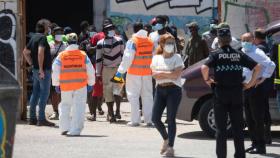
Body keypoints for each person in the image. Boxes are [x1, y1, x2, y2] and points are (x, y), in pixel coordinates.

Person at [201, 28, 261, 158]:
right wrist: (250, 83)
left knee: (221, 130)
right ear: (230, 40)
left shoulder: (216, 54)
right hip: (237, 94)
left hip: (220, 94)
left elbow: (204, 67)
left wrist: (207, 80)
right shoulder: (239, 54)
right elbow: (257, 67)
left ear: (219, 41)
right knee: (238, 129)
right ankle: (239, 155)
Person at [52, 33, 95, 136]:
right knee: (79, 107)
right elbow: (90, 70)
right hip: (80, 86)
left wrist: (56, 84)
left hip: (65, 86)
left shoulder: (61, 56)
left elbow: (55, 70)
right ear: (77, 42)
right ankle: (75, 130)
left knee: (65, 105)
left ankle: (64, 128)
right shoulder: (83, 55)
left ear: (67, 42)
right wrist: (91, 83)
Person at [113, 22, 154, 126]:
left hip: (134, 73)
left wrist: (120, 71)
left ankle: (135, 120)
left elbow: (127, 58)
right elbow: (154, 56)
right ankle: (149, 120)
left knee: (133, 96)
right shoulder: (150, 41)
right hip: (147, 73)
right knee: (148, 96)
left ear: (134, 30)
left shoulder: (133, 41)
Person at [150, 34, 184, 157]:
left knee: (170, 119)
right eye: (168, 43)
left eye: (172, 43)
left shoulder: (177, 57)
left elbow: (176, 75)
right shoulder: (156, 58)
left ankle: (170, 147)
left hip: (174, 90)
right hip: (160, 90)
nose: (170, 45)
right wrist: (169, 72)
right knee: (155, 118)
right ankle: (166, 138)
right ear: (162, 44)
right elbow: (154, 75)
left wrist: (162, 73)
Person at [241, 32, 275, 154]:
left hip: (255, 89)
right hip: (246, 88)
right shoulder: (243, 51)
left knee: (257, 118)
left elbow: (271, 64)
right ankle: (254, 143)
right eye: (243, 40)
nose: (245, 42)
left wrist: (262, 79)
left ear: (253, 40)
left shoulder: (257, 52)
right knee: (249, 118)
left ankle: (261, 146)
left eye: (247, 40)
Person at [23, 19, 55, 126]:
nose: (49, 27)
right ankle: (41, 119)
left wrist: (32, 64)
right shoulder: (42, 38)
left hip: (36, 70)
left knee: (35, 93)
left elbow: (25, 52)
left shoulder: (33, 37)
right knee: (44, 94)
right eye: (48, 26)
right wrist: (41, 69)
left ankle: (32, 118)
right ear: (44, 27)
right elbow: (40, 52)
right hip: (43, 71)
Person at [96, 18, 124, 123]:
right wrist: (98, 73)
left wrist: (123, 70)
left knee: (118, 90)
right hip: (106, 70)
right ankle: (111, 113)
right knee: (108, 92)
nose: (112, 30)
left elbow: (123, 55)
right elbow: (98, 59)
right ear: (105, 32)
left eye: (112, 28)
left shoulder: (119, 40)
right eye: (109, 29)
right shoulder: (100, 43)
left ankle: (117, 110)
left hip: (118, 69)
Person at [253, 28, 273, 144]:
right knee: (265, 110)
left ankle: (264, 137)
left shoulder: (259, 50)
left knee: (260, 111)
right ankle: (267, 135)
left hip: (260, 84)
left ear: (256, 38)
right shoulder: (267, 47)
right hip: (267, 83)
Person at [48, 26, 68, 120]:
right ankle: (55, 111)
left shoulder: (66, 45)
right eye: (57, 33)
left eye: (60, 33)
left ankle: (62, 111)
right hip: (53, 72)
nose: (59, 35)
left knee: (63, 92)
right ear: (52, 34)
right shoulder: (49, 44)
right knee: (53, 92)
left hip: (64, 72)